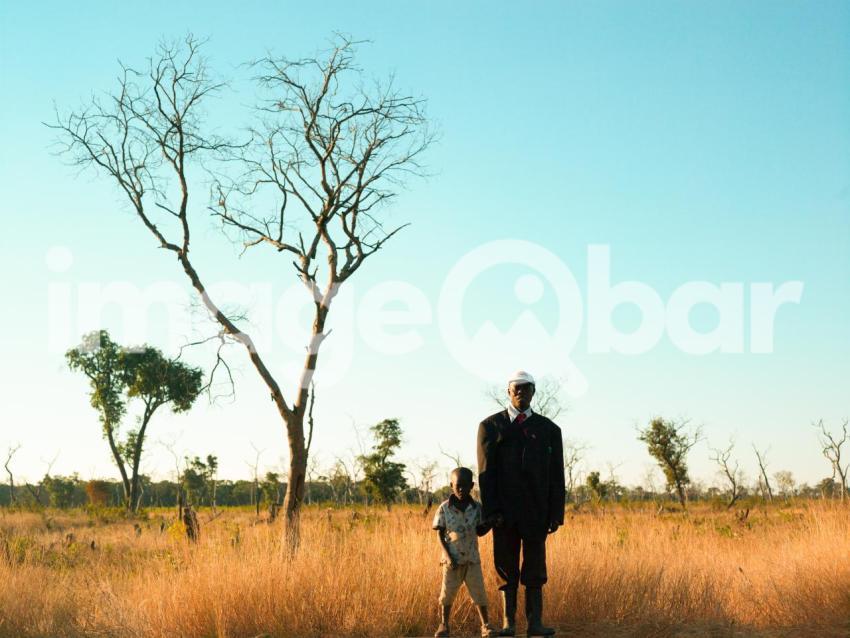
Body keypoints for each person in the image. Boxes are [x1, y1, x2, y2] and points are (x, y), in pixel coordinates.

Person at [477, 371, 565, 636]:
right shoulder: (490, 427)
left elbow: (557, 475)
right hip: (503, 514)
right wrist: (491, 512)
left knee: (536, 568)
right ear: (508, 392)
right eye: (516, 389)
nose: (521, 393)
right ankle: (508, 624)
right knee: (505, 568)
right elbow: (485, 475)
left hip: (537, 513)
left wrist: (555, 513)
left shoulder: (549, 430)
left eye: (526, 389)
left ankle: (535, 624)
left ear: (533, 392)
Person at [432, 467, 498, 638]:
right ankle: (444, 625)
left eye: (465, 486)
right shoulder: (444, 508)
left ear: (472, 485)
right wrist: (447, 555)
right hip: (451, 561)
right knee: (447, 594)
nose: (461, 489)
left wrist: (491, 523)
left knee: (479, 593)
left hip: (471, 560)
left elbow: (479, 531)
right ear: (451, 485)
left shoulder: (476, 508)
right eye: (458, 485)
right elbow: (439, 534)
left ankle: (486, 625)